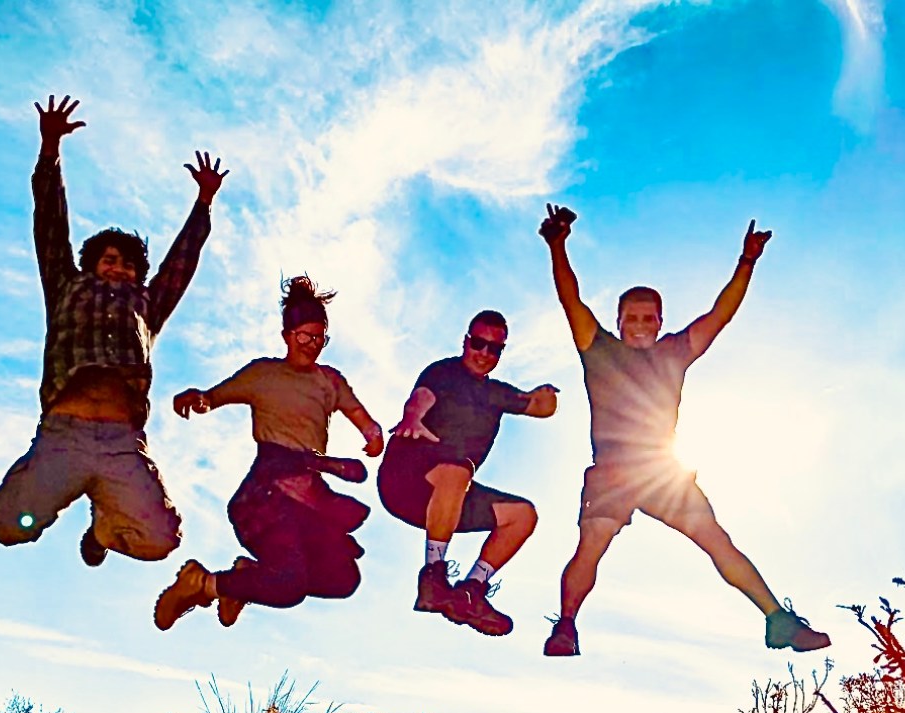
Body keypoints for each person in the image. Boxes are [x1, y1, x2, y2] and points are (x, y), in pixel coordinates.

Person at [539, 202, 831, 656]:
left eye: (648, 318)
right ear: (618, 322)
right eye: (631, 318)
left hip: (661, 469)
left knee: (715, 538)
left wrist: (747, 262)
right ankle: (565, 627)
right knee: (592, 542)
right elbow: (570, 300)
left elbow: (720, 315)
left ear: (660, 322)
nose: (640, 326)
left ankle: (778, 621)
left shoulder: (674, 352)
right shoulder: (598, 348)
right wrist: (557, 246)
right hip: (614, 470)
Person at [0, 95, 227, 567]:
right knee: (8, 526)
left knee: (159, 541)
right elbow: (49, 226)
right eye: (109, 260)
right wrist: (50, 150)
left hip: (121, 442)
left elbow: (180, 265)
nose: (118, 269)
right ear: (91, 264)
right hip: (63, 435)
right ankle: (60, 486)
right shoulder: (66, 286)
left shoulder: (146, 304)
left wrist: (204, 203)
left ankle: (104, 526)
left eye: (128, 265)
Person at [153, 275, 385, 630]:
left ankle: (247, 578)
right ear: (287, 335)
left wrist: (372, 433)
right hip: (266, 496)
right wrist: (198, 399)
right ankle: (201, 584)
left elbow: (356, 412)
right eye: (304, 336)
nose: (311, 345)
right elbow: (214, 397)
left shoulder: (329, 380)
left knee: (343, 578)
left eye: (319, 338)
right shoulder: (264, 374)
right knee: (289, 585)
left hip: (307, 496)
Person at [377, 312, 559, 636]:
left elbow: (539, 407)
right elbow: (421, 397)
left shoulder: (497, 393)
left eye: (494, 349)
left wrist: (546, 397)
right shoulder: (444, 372)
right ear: (466, 342)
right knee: (458, 471)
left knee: (522, 516)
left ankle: (469, 593)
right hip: (404, 482)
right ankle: (433, 576)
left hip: (450, 498)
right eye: (479, 344)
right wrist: (412, 417)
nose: (485, 354)